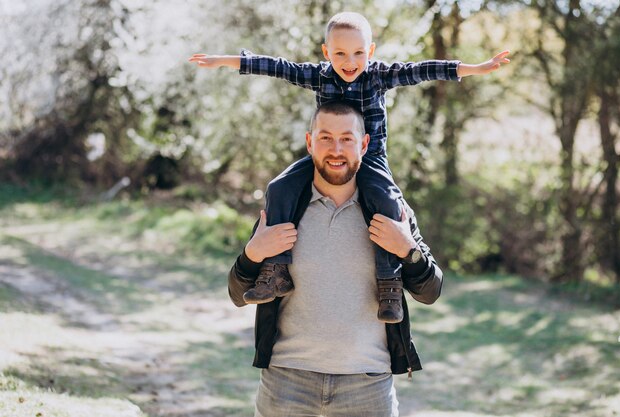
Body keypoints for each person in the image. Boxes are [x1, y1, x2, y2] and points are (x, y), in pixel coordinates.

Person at [193, 12, 509, 323]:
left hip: (370, 159)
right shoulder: (318, 75)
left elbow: (423, 70)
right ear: (326, 52)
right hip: (323, 156)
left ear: (370, 52)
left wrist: (475, 68)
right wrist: (223, 60)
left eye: (358, 53)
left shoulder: (378, 75)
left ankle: (388, 284)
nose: (349, 61)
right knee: (279, 187)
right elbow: (278, 67)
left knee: (385, 202)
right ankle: (275, 270)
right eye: (340, 53)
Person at [228, 101, 444, 417]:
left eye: (347, 138)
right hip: (287, 381)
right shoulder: (285, 209)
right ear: (309, 142)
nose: (336, 149)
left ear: (365, 144)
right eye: (325, 137)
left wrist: (407, 250)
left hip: (367, 386)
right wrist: (252, 254)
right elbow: (237, 294)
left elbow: (431, 291)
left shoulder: (391, 212)